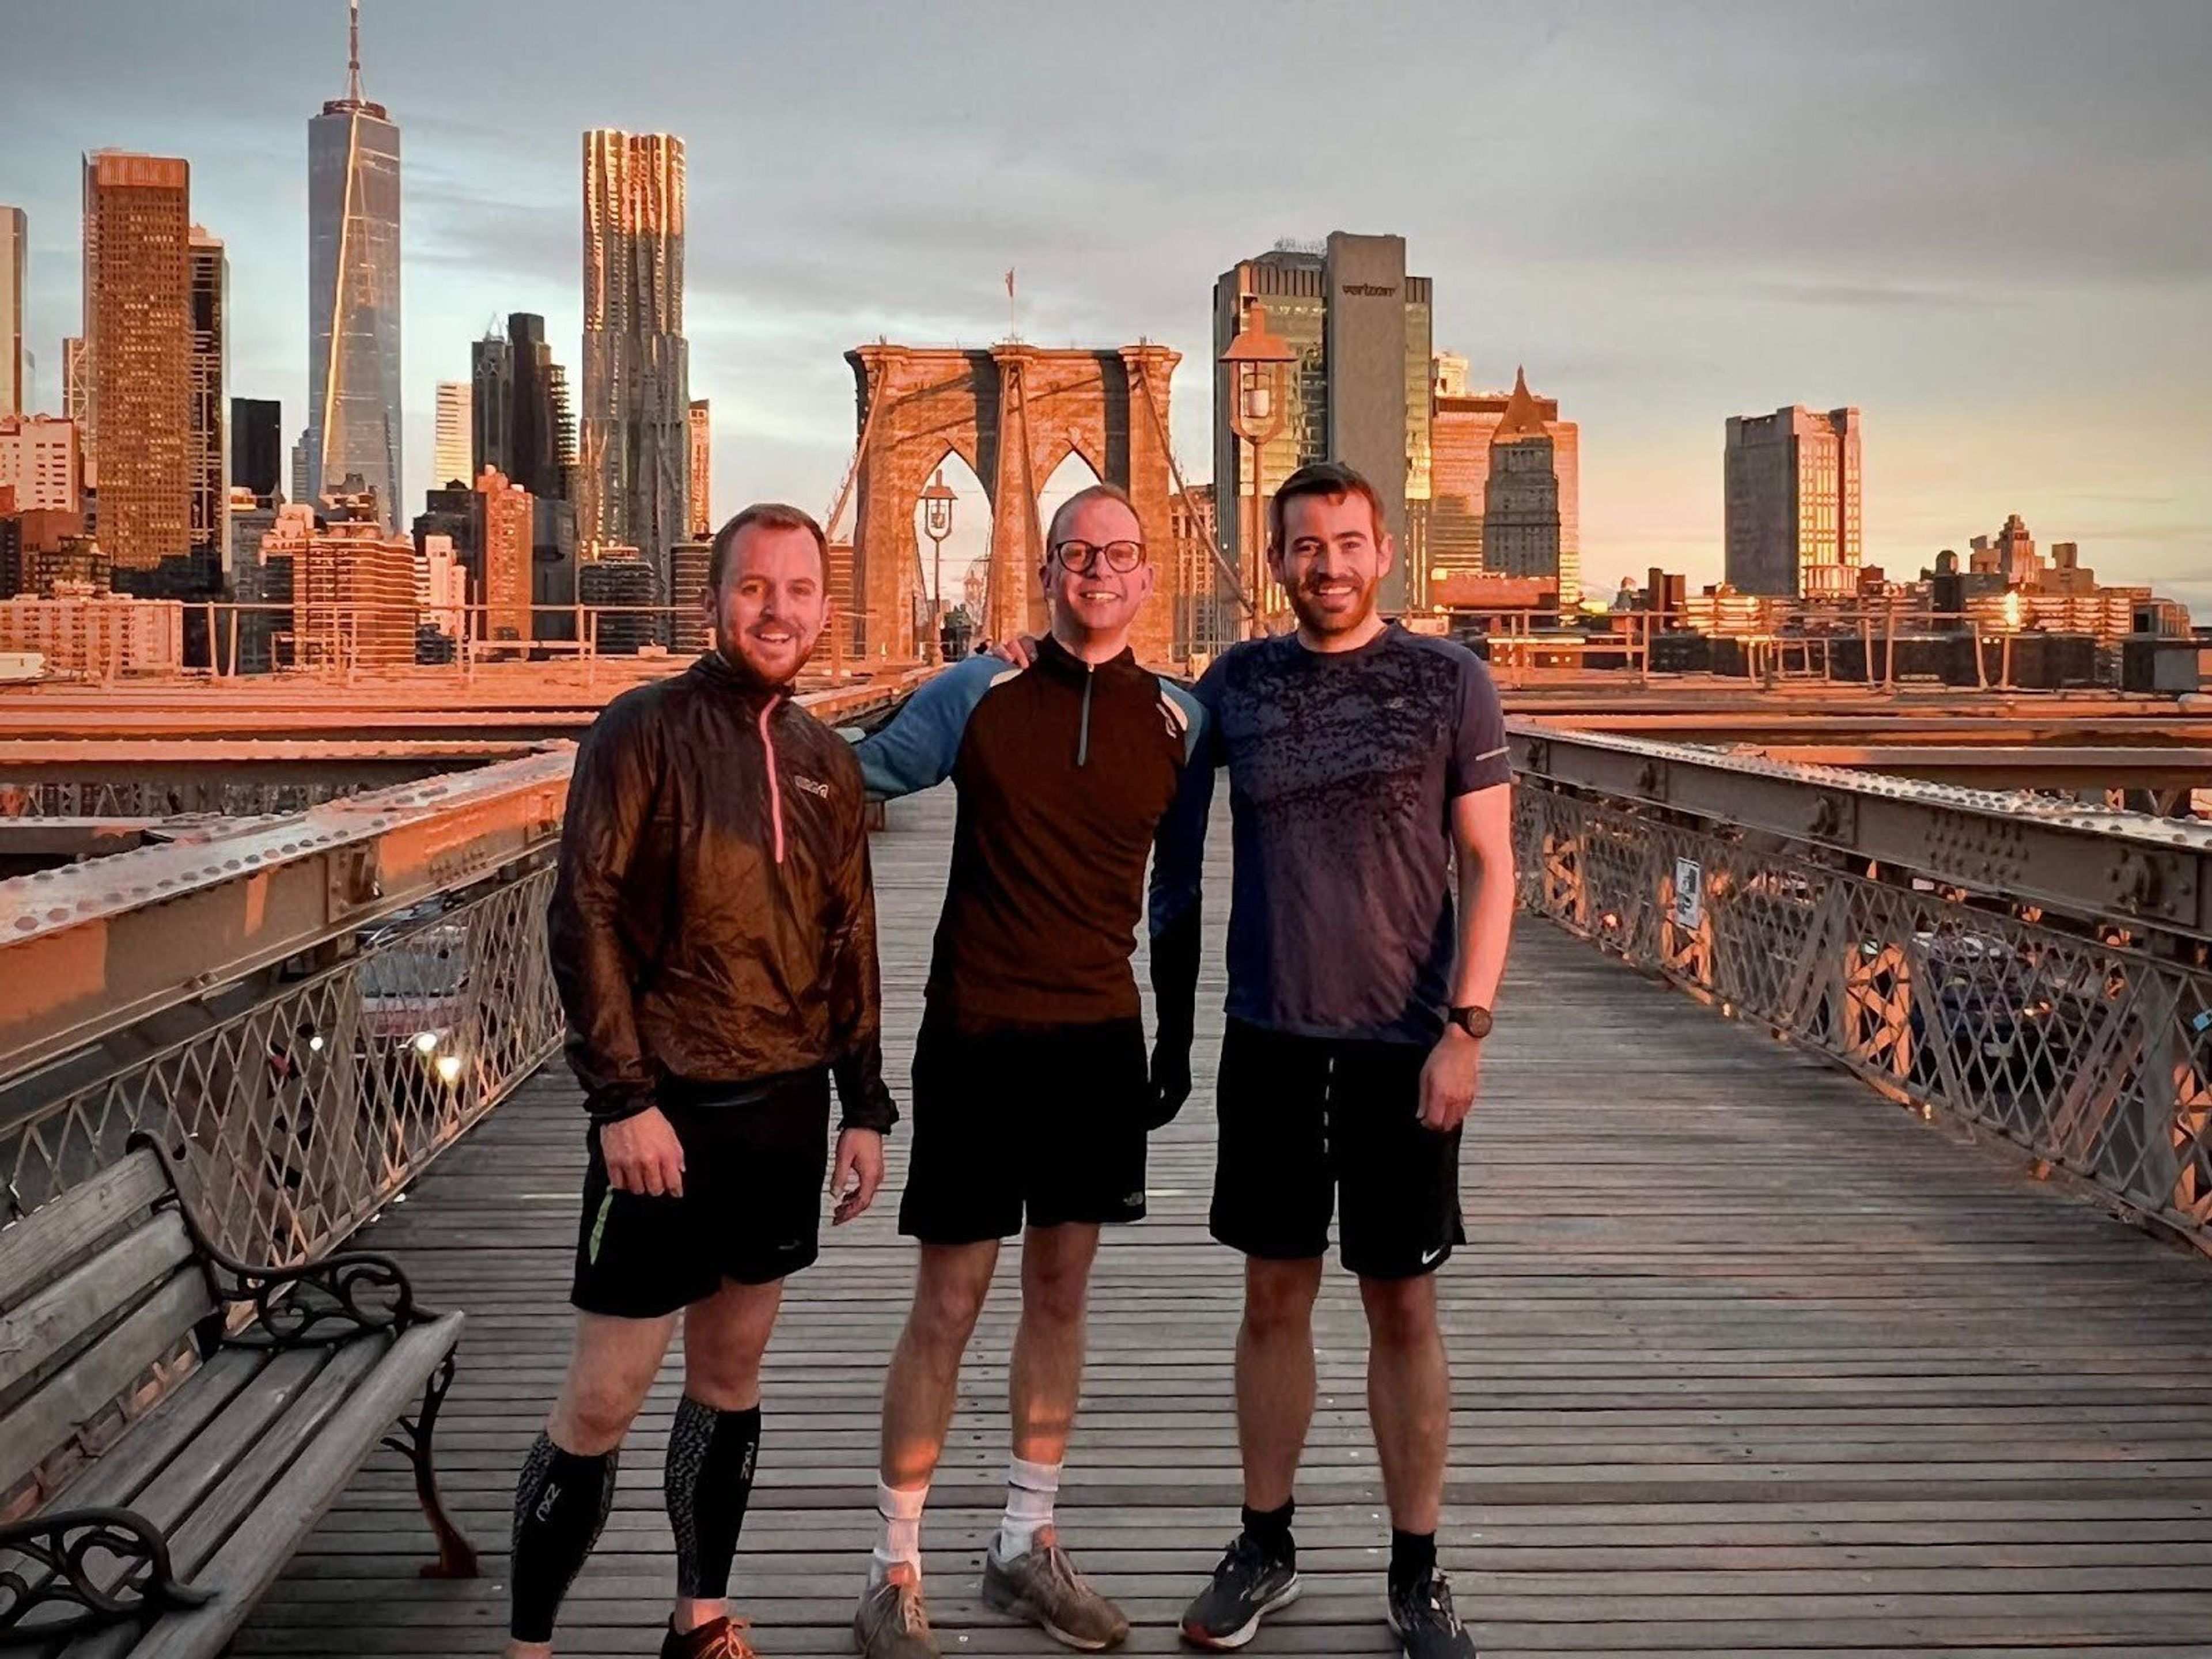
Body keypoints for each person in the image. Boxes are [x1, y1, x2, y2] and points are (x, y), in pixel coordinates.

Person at [512, 503, 897, 1659]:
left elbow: (850, 946)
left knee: (728, 1385)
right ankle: (527, 1646)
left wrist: (866, 1107)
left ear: (826, 609)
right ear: (711, 601)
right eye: (753, 587)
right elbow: (578, 913)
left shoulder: (830, 764)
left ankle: (701, 1617)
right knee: (602, 1403)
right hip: (662, 1120)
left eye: (798, 589)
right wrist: (621, 1099)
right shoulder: (638, 730)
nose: (777, 609)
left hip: (781, 1116)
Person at [1149, 461, 1515, 1658]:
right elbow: (1138, 799)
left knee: (1403, 1305)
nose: (1329, 565)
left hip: (1406, 1044)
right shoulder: (1235, 685)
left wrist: (1468, 1028)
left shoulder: (1451, 681)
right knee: (1273, 1299)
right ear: (1274, 562)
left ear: (1386, 554)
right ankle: (1267, 1543)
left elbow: (1493, 867)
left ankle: (1418, 1570)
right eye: (1306, 547)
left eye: (1349, 543)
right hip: (1269, 1036)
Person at [845, 483, 1205, 1658]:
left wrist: (1180, 1043)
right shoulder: (974, 691)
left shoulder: (1183, 719)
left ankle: (1023, 1546)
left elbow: (1199, 874)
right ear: (1045, 573)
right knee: (945, 1305)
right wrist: (695, 726)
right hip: (976, 1038)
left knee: (1060, 1295)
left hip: (1099, 1040)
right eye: (1075, 553)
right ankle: (892, 1569)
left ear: (1150, 575)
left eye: (1121, 552)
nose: (1100, 569)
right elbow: (850, 777)